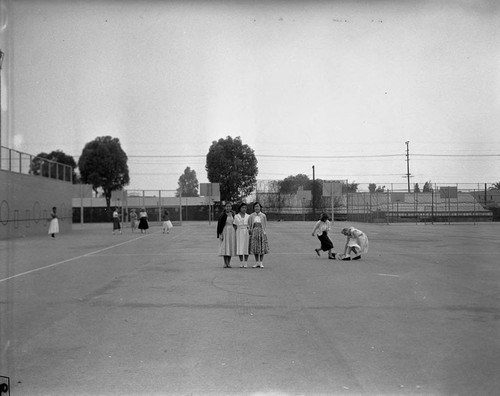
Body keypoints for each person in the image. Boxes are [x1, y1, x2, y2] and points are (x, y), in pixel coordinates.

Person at [248, 202, 269, 268]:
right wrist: (250, 231)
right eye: (255, 207)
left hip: (261, 231)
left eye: (258, 206)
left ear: (260, 208)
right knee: (256, 247)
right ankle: (257, 262)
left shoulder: (263, 215)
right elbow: (249, 224)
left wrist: (264, 231)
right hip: (254, 232)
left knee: (262, 247)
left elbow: (265, 224)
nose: (257, 208)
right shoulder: (251, 216)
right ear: (254, 208)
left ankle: (261, 262)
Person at [217, 202, 237, 268]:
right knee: (225, 247)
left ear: (231, 207)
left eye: (229, 206)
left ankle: (229, 263)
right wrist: (220, 233)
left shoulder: (233, 214)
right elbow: (219, 225)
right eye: (227, 206)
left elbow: (235, 223)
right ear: (225, 207)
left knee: (230, 247)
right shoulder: (222, 215)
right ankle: (225, 263)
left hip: (231, 231)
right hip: (225, 231)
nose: (228, 207)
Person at [234, 202, 250, 267]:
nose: (244, 209)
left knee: (246, 246)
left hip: (246, 231)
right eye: (243, 207)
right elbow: (234, 225)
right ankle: (241, 262)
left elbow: (250, 225)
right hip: (239, 231)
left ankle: (245, 262)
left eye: (245, 208)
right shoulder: (236, 216)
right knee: (240, 246)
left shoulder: (248, 216)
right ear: (240, 208)